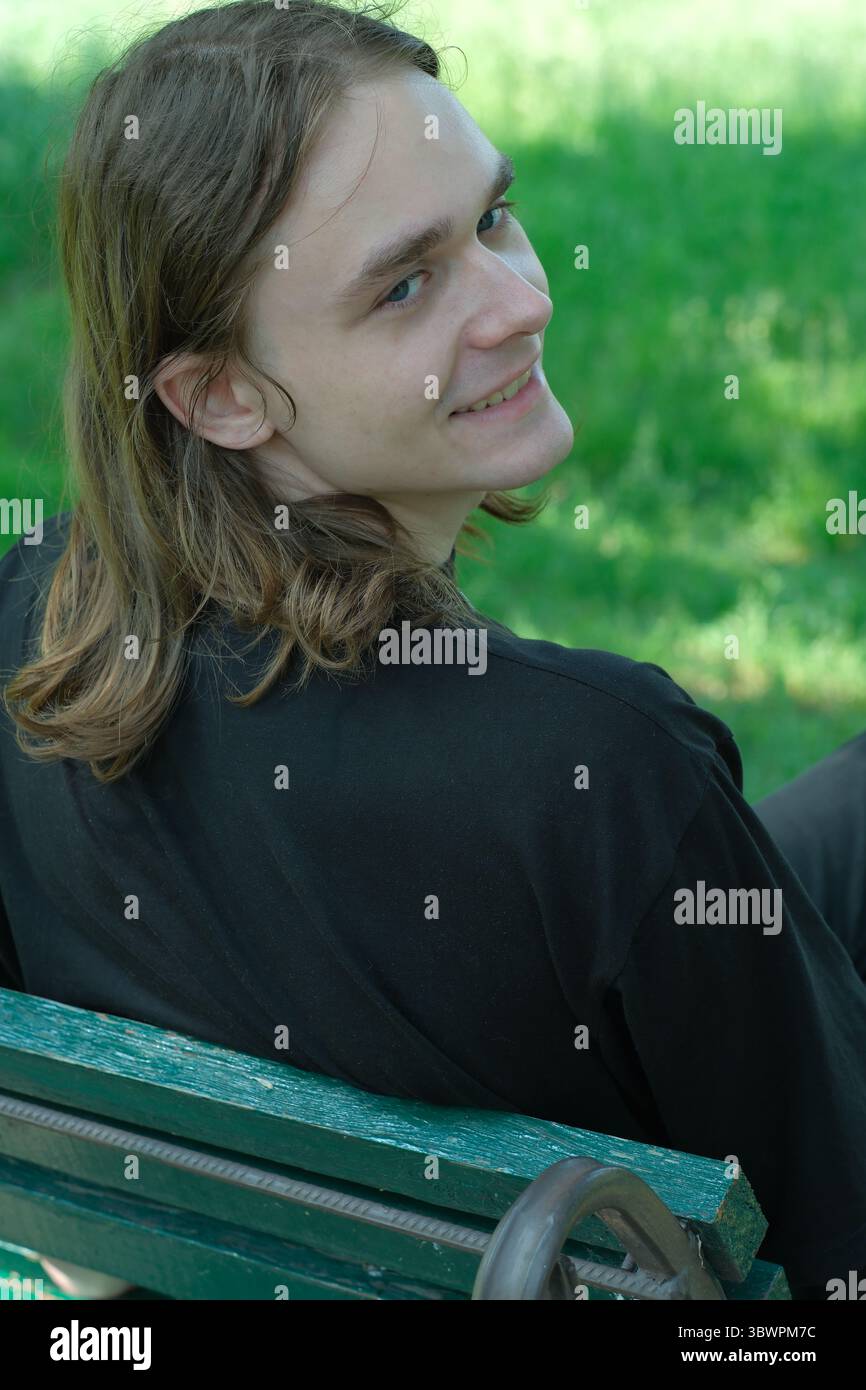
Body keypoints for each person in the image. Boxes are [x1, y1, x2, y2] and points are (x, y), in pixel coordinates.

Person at [0, 0, 864, 1303]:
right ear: (220, 394)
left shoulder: (30, 635)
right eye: (406, 285)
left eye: (493, 219)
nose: (520, 301)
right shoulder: (598, 774)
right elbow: (829, 1237)